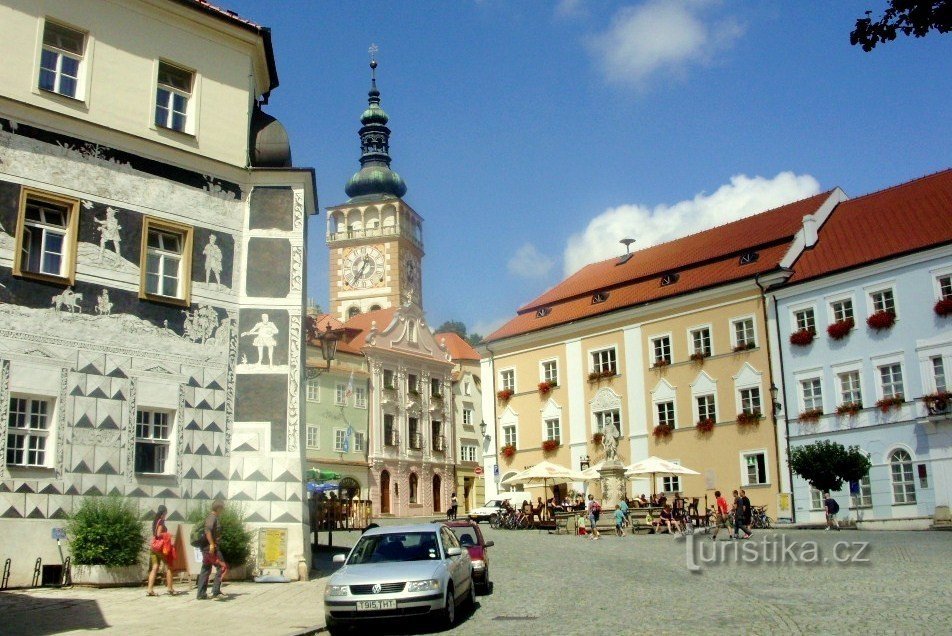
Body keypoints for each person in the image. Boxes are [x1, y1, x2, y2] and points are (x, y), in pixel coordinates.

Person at [196, 499, 229, 600]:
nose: (222, 511)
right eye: (222, 509)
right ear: (218, 508)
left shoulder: (212, 517)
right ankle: (216, 592)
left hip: (206, 548)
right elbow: (207, 530)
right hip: (211, 549)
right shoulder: (212, 517)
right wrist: (211, 544)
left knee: (206, 569)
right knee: (222, 567)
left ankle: (201, 594)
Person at [146, 505, 176, 596]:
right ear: (163, 513)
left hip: (153, 547)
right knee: (169, 566)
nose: (166, 515)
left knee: (155, 567)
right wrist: (168, 534)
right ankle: (170, 589)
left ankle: (150, 589)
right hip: (160, 549)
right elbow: (158, 534)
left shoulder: (155, 521)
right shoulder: (161, 521)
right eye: (166, 513)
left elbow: (155, 534)